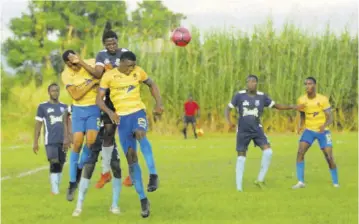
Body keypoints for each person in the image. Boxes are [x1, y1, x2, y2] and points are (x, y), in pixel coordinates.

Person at [68, 23, 159, 190]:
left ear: (118, 41)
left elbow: (132, 71)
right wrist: (80, 62)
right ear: (104, 44)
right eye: (108, 44)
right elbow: (97, 73)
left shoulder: (125, 53)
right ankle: (105, 172)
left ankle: (138, 173)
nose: (111, 46)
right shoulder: (101, 55)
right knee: (108, 134)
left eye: (114, 43)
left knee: (137, 133)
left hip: (127, 99)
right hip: (109, 99)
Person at [97, 51, 163, 218]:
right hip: (122, 119)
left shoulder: (138, 72)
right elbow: (99, 100)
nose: (131, 69)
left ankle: (153, 175)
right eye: (129, 66)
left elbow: (152, 84)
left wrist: (159, 103)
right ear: (121, 62)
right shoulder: (109, 76)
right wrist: (110, 112)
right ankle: (143, 200)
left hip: (137, 113)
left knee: (141, 134)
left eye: (133, 65)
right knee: (131, 158)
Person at [225, 74, 304, 192]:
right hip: (243, 130)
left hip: (257, 129)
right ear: (246, 83)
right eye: (249, 82)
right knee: (241, 157)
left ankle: (260, 180)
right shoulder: (239, 95)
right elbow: (228, 108)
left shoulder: (262, 97)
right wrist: (229, 122)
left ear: (257, 83)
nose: (251, 83)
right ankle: (239, 188)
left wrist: (293, 106)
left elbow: (277, 106)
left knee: (268, 152)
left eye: (253, 81)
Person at [64, 107, 122, 216]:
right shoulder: (89, 98)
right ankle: (78, 207)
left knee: (116, 168)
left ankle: (114, 205)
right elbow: (67, 112)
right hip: (94, 141)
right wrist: (68, 133)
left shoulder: (110, 96)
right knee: (88, 170)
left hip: (109, 140)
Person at [61, 50, 101, 201]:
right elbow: (76, 95)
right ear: (67, 64)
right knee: (77, 143)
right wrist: (92, 83)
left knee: (91, 143)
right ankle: (72, 184)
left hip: (94, 108)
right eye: (71, 63)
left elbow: (100, 75)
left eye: (76, 60)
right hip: (78, 110)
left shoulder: (90, 62)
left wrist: (83, 63)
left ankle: (78, 169)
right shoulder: (66, 74)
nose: (75, 64)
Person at [292, 77, 339, 189]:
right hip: (309, 130)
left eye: (310, 84)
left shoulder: (322, 99)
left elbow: (330, 117)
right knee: (300, 152)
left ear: (315, 85)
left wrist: (324, 125)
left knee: (329, 157)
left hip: (323, 131)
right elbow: (303, 114)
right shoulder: (301, 100)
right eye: (306, 84)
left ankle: (336, 182)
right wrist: (300, 126)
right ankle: (300, 182)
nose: (308, 86)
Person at [33, 83, 68, 195]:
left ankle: (56, 185)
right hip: (50, 141)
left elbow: (68, 123)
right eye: (53, 91)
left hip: (63, 140)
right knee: (54, 162)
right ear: (49, 92)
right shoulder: (43, 107)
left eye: (57, 90)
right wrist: (35, 142)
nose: (55, 93)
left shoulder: (64, 107)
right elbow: (38, 124)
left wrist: (70, 138)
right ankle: (55, 190)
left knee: (61, 163)